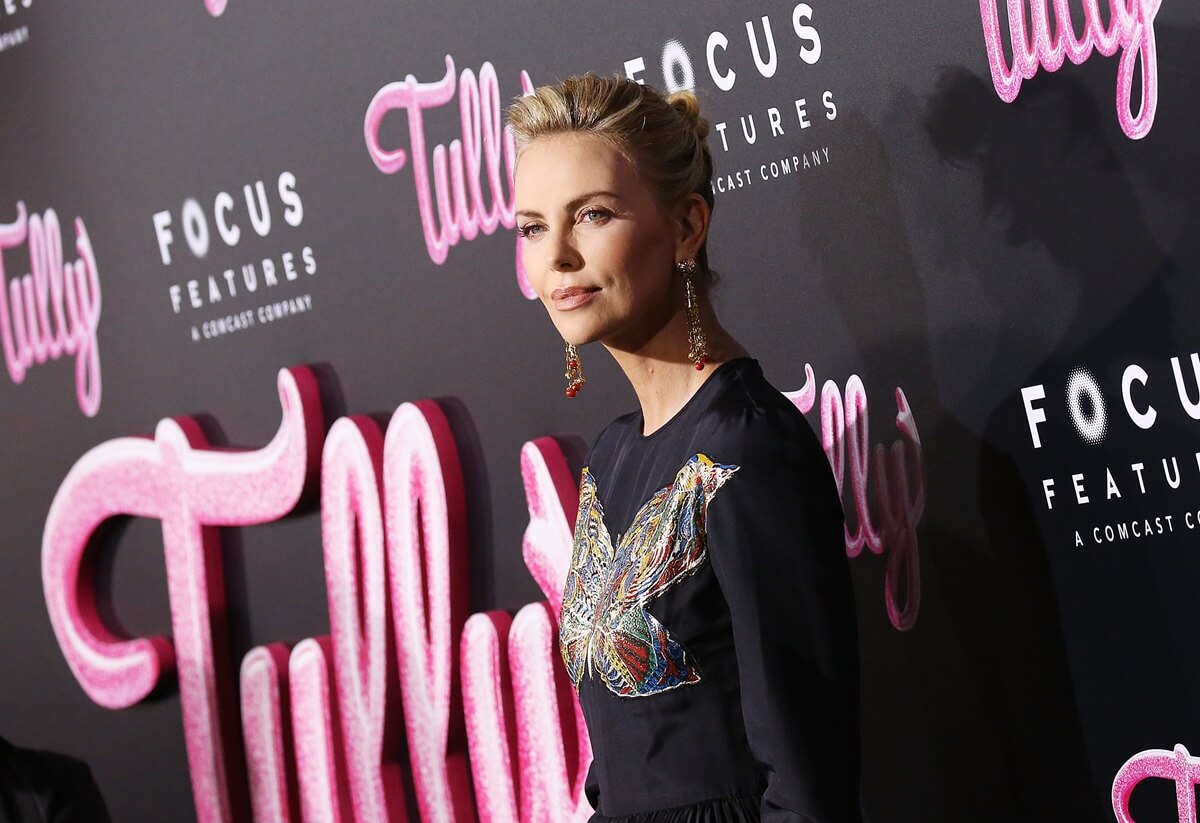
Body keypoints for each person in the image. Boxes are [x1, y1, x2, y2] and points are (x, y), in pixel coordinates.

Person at [508, 73, 862, 822]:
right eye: (533, 227)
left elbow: (808, 782)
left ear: (687, 226)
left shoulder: (747, 446)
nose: (557, 257)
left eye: (592, 215)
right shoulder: (611, 457)